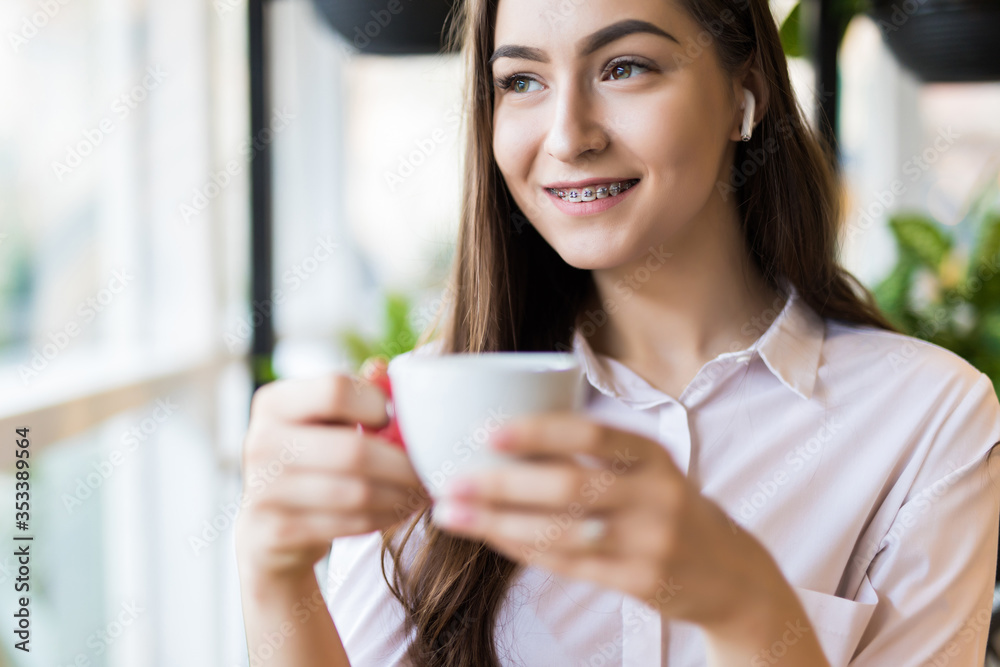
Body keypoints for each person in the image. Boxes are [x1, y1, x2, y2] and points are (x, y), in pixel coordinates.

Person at [234, 0, 1000, 665]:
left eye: (625, 67)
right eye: (522, 81)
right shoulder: (432, 410)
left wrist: (747, 606)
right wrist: (274, 574)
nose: (568, 135)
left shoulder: (929, 420)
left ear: (746, 94)